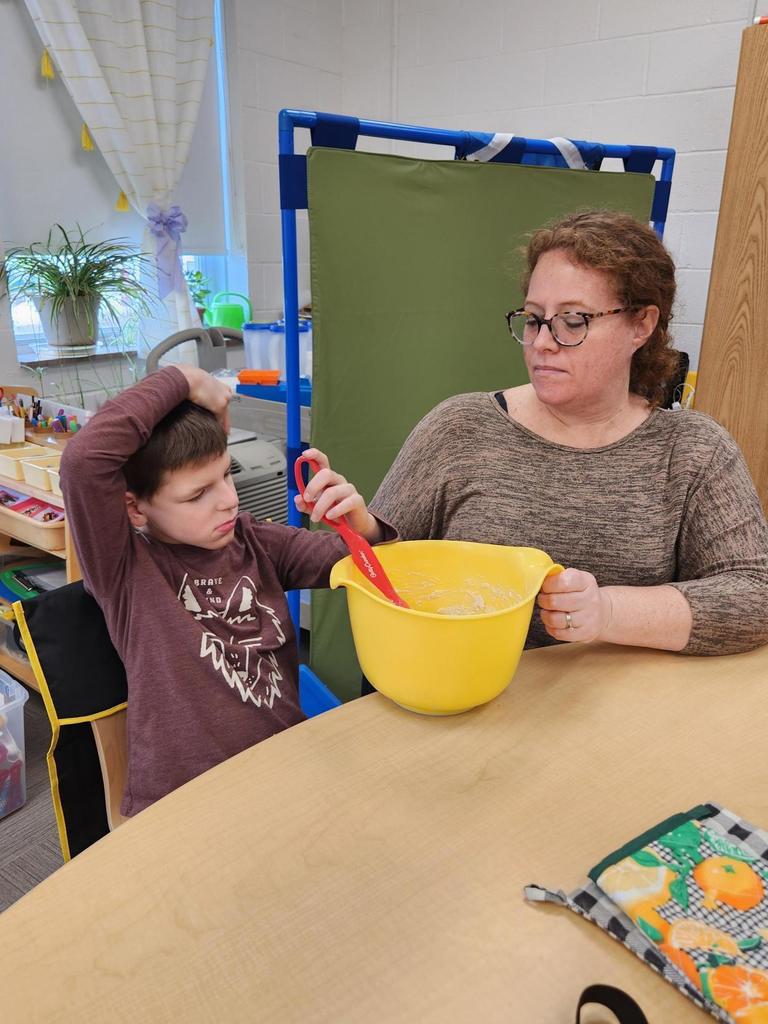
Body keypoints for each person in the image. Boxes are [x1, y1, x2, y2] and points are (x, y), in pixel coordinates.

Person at [368, 209, 768, 656]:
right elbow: (374, 564)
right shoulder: (460, 428)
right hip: (464, 695)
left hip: (621, 712)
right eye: (535, 319)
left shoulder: (693, 450)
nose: (542, 342)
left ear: (641, 324)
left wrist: (609, 611)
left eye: (573, 321)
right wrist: (359, 529)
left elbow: (754, 596)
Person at [61, 365, 392, 815]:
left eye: (227, 475)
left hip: (283, 773)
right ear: (135, 508)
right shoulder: (126, 570)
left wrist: (361, 527)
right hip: (185, 803)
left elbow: (368, 567)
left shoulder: (255, 541)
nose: (229, 500)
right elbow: (84, 461)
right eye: (197, 494)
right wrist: (184, 378)